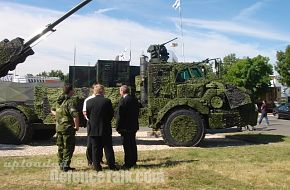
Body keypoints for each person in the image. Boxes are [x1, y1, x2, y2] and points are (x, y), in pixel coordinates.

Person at [86, 83, 116, 171]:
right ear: (102, 91)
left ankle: (97, 167)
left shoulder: (88, 102)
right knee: (108, 148)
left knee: (95, 149)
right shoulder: (107, 101)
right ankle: (111, 166)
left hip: (93, 129)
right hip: (105, 128)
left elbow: (88, 115)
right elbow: (111, 114)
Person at [51, 84, 79, 172]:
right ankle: (65, 165)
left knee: (60, 146)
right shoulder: (69, 101)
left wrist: (59, 116)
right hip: (67, 127)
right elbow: (75, 115)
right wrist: (76, 126)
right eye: (72, 90)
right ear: (70, 91)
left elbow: (52, 109)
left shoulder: (59, 100)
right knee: (68, 146)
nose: (73, 92)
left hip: (59, 127)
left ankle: (61, 164)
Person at [116, 85, 140, 169]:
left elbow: (119, 116)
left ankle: (128, 163)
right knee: (133, 144)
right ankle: (133, 161)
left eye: (120, 91)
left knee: (126, 145)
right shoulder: (134, 99)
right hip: (133, 125)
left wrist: (118, 127)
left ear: (122, 91)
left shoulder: (123, 101)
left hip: (125, 127)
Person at [82, 86, 95, 167]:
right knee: (90, 142)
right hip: (91, 122)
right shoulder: (88, 99)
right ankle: (90, 160)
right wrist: (89, 120)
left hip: (94, 122)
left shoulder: (103, 98)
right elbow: (84, 112)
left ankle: (98, 158)